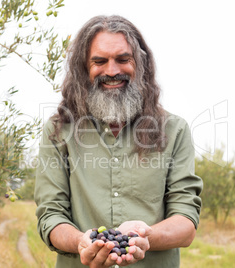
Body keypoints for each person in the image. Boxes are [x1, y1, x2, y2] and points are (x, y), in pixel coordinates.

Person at [34, 15, 203, 268]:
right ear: (84, 68)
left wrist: (145, 237)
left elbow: (186, 222)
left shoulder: (174, 130)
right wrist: (81, 241)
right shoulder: (58, 132)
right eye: (99, 61)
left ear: (141, 63)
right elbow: (50, 214)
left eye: (123, 59)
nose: (112, 71)